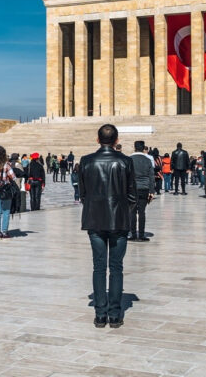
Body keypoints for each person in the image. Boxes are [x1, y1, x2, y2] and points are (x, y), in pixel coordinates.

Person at [79, 124, 135, 329]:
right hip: (119, 221)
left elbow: (83, 194)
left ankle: (100, 315)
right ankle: (115, 314)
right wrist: (122, 211)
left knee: (99, 267)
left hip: (94, 220)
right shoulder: (125, 161)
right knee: (116, 267)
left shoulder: (86, 161)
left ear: (97, 139)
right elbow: (131, 195)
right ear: (116, 140)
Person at [129, 141, 154, 242]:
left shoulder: (129, 159)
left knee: (132, 212)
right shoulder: (148, 160)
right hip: (144, 188)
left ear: (134, 147)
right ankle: (142, 234)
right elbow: (151, 176)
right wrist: (151, 191)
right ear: (143, 148)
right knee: (142, 212)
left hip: (132, 189)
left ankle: (133, 234)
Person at [0, 145, 17, 239]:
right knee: (6, 211)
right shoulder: (6, 165)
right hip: (5, 191)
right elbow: (13, 177)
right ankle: (5, 232)